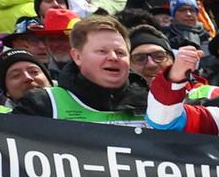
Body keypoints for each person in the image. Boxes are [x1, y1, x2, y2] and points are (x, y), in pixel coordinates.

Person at [8, 14, 149, 122]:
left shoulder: (153, 103)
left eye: (120, 52)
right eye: (102, 51)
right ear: (77, 57)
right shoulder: (42, 104)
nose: (113, 57)